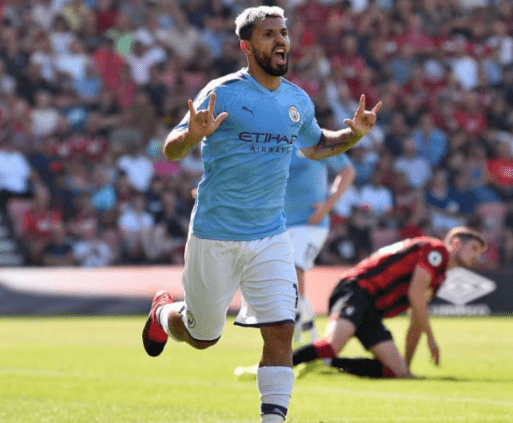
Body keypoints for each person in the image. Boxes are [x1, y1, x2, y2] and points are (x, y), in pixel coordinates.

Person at [140, 6, 381, 423]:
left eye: (283, 32)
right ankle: (163, 313)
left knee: (280, 330)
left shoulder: (297, 100)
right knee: (201, 338)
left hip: (270, 234)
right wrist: (190, 135)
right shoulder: (224, 91)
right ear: (247, 46)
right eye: (269, 34)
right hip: (215, 233)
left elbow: (317, 146)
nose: (281, 40)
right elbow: (171, 149)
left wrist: (353, 135)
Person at [289, 227, 487, 378]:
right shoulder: (437, 251)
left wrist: (406, 370)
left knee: (396, 371)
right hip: (357, 289)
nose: (477, 256)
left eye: (480, 252)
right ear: (456, 243)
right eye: (474, 248)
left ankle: (328, 364)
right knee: (333, 344)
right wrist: (431, 338)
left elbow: (416, 319)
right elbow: (415, 294)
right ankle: (276, 364)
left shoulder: (439, 277)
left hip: (371, 309)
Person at [285, 148, 356, 345]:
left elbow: (347, 171)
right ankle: (309, 330)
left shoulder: (315, 139)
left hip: (311, 225)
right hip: (280, 224)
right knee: (283, 278)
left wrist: (327, 205)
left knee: (293, 266)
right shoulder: (275, 136)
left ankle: (301, 331)